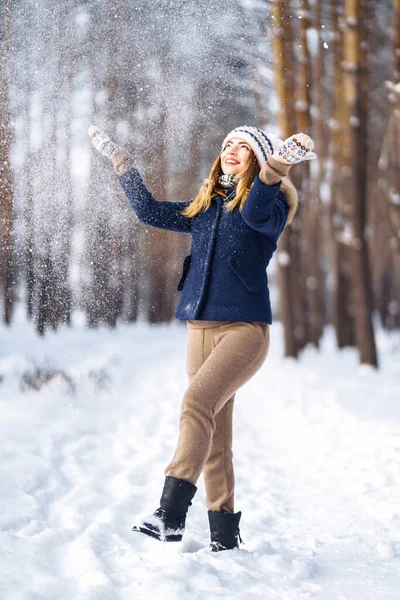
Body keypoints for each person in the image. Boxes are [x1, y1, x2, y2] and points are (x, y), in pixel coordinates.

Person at [88, 124, 316, 551]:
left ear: (259, 159)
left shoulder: (269, 207)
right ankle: (224, 536)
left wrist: (278, 165)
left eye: (244, 146)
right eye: (228, 143)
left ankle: (169, 514)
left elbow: (252, 214)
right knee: (215, 434)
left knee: (195, 405)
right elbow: (150, 212)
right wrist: (122, 164)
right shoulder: (205, 205)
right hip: (199, 329)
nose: (231, 149)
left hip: (244, 331)